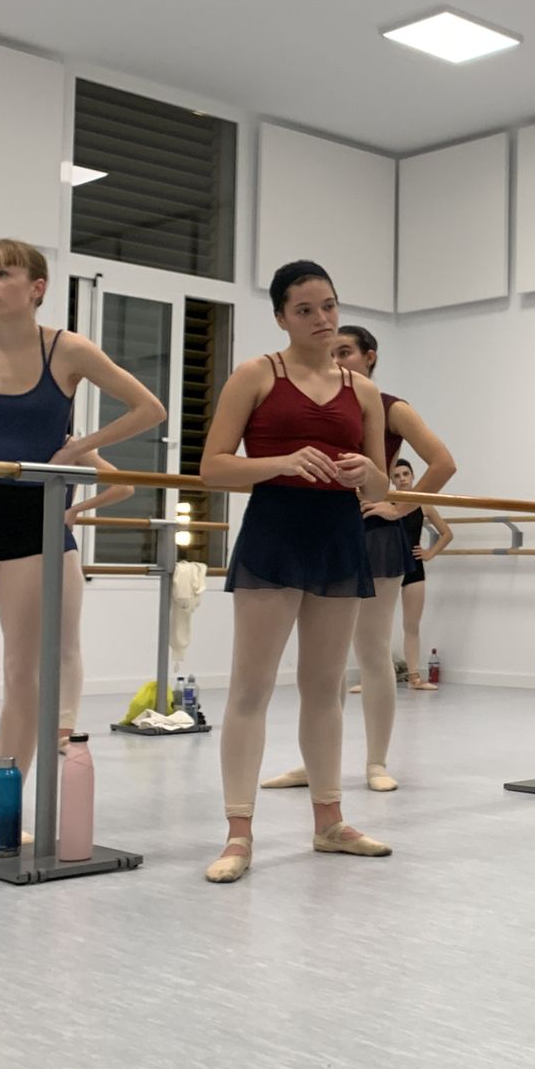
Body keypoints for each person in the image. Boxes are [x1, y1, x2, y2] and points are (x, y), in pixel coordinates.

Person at [0, 238, 164, 821]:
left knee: (21, 667)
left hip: (32, 511)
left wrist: (82, 445)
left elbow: (149, 408)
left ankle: (7, 803)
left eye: (2, 273)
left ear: (36, 288)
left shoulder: (67, 350)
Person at [200, 261, 392, 883]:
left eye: (329, 306)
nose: (321, 319)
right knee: (251, 687)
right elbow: (214, 468)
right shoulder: (256, 374)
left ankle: (329, 821)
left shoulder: (361, 390)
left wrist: (370, 476)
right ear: (282, 317)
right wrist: (281, 460)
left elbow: (385, 480)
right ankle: (238, 832)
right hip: (274, 532)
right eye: (305, 310)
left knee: (326, 686)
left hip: (338, 536)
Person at [259, 325, 454, 793]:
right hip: (324, 529)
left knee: (370, 651)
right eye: (333, 351)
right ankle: (317, 762)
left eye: (346, 351)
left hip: (373, 536)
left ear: (370, 357)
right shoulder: (318, 402)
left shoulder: (389, 407)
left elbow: (443, 461)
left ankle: (376, 762)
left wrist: (398, 505)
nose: (338, 359)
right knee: (321, 659)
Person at [0, 448, 135, 759]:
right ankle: (11, 731)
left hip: (59, 548)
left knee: (65, 642)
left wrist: (76, 510)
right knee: (17, 649)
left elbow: (124, 486)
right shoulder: (10, 443)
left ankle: (63, 729)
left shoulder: (73, 446)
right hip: (15, 547)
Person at [392, 458, 451, 689]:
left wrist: (429, 552)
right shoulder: (386, 502)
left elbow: (446, 533)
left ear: (413, 476)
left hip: (414, 567)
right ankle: (372, 678)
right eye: (396, 476)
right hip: (387, 567)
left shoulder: (423, 504)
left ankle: (414, 676)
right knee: (377, 626)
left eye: (405, 474)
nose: (402, 479)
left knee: (411, 624)